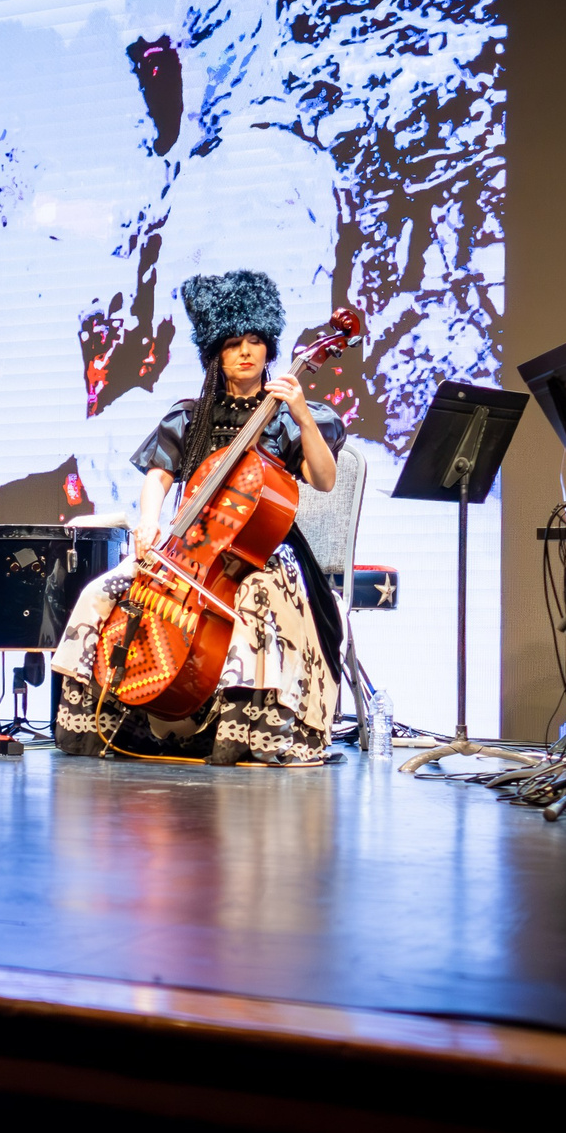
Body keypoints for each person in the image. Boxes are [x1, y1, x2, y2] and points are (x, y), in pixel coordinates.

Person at [53, 270, 347, 765]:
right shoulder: (189, 417)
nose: (246, 352)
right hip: (189, 546)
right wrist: (149, 520)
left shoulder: (290, 415)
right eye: (234, 344)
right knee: (102, 591)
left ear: (270, 349)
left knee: (254, 595)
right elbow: (159, 476)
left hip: (264, 547)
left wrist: (299, 415)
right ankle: (98, 720)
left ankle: (246, 727)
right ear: (217, 354)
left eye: (256, 341)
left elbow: (324, 479)